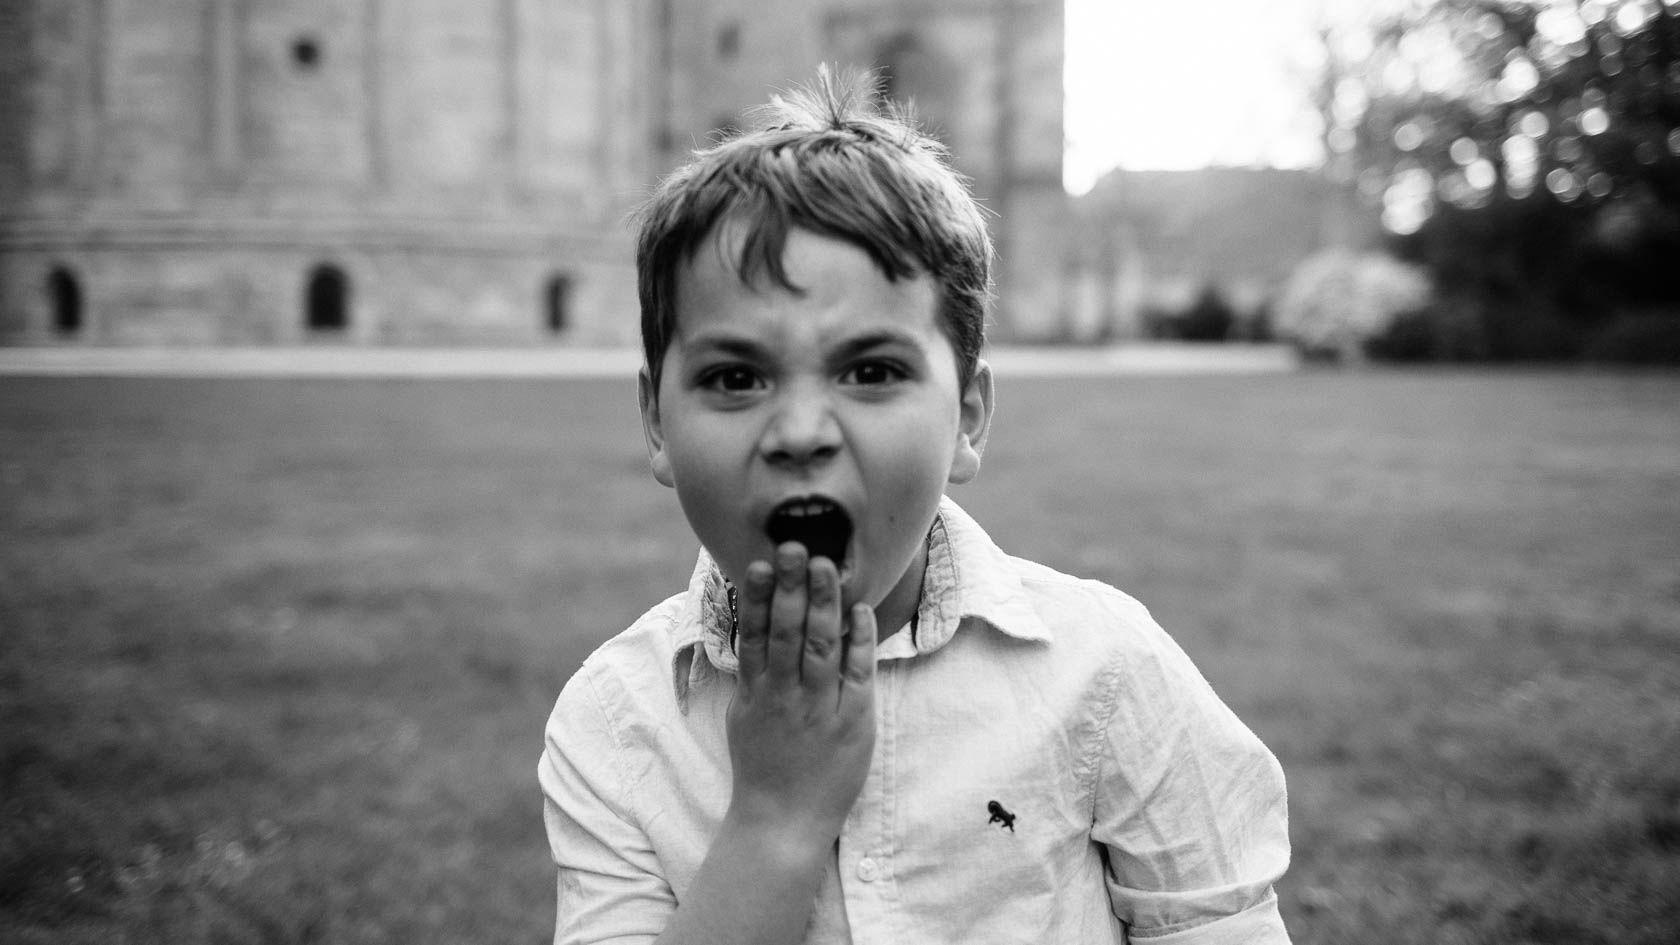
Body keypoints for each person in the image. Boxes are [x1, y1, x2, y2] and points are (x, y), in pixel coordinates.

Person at [538, 66, 1292, 945]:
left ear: (967, 415)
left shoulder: (1106, 671)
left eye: (872, 371)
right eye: (735, 377)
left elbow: (1219, 919)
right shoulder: (615, 724)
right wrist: (775, 821)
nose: (802, 431)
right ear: (656, 423)